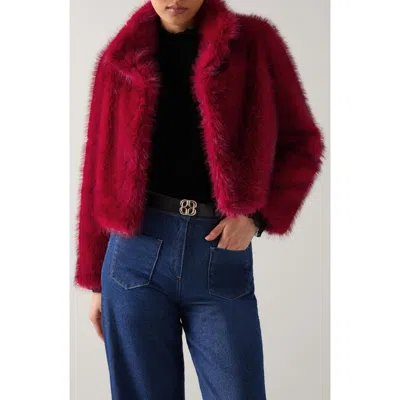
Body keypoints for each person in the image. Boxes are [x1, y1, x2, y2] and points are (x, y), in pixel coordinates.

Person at [74, 0, 324, 398]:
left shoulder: (253, 43)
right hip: (134, 258)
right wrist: (94, 280)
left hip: (218, 255)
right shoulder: (120, 59)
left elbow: (303, 144)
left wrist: (257, 217)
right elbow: (97, 170)